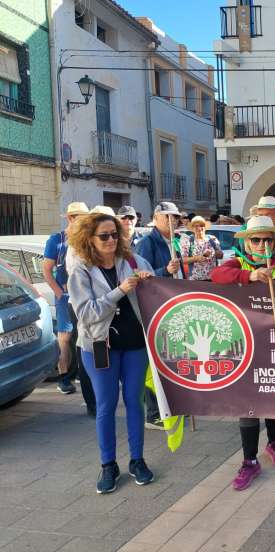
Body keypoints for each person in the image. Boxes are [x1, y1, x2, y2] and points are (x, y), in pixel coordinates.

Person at [67, 211, 155, 494]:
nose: (111, 240)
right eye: (104, 236)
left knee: (134, 401)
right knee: (106, 405)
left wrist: (149, 280)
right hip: (98, 346)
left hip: (134, 344)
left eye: (114, 234)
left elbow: (154, 290)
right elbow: (87, 313)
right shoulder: (80, 269)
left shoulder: (133, 261)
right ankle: (108, 465)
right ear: (89, 239)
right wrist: (120, 291)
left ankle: (137, 460)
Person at [211, 216, 275, 490]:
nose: (261, 244)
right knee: (248, 403)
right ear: (247, 243)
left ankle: (274, 444)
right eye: (256, 239)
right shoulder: (238, 264)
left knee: (274, 397)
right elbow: (217, 276)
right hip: (245, 344)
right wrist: (250, 276)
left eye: (267, 239)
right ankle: (249, 461)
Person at [135, 201, 182, 429]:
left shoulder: (174, 241)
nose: (173, 221)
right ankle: (153, 412)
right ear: (156, 217)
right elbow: (143, 275)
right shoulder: (147, 243)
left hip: (172, 304)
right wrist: (166, 271)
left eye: (175, 217)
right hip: (155, 307)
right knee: (154, 361)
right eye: (168, 217)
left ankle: (171, 404)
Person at [43, 202, 89, 396]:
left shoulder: (87, 238)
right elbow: (47, 270)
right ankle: (64, 378)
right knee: (65, 336)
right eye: (79, 217)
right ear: (70, 218)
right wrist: (60, 294)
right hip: (66, 297)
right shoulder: (57, 240)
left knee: (84, 335)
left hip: (85, 296)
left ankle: (80, 373)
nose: (84, 221)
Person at [180, 216, 222, 281]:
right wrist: (196, 258)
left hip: (213, 278)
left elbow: (221, 256)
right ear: (192, 228)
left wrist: (216, 253)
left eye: (201, 225)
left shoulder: (212, 239)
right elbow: (183, 260)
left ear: (205, 227)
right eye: (196, 226)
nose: (199, 228)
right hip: (196, 280)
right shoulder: (188, 240)